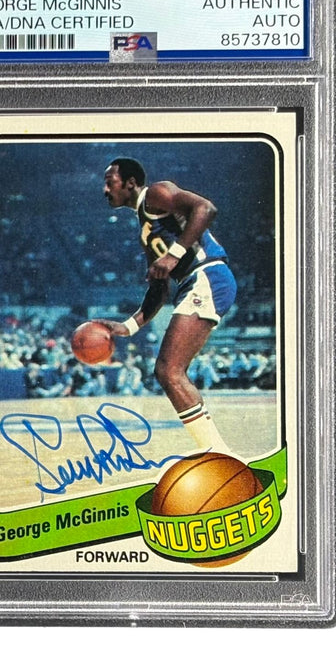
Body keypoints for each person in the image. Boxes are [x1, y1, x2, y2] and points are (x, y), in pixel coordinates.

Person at [98, 157, 237, 454]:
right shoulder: (145, 228)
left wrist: (173, 255)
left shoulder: (157, 193)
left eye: (110, 182)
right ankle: (217, 453)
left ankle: (218, 454)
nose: (105, 190)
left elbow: (206, 208)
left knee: (168, 370)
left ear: (131, 183)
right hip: (193, 281)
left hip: (208, 274)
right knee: (169, 372)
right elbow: (159, 288)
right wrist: (129, 326)